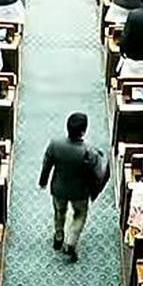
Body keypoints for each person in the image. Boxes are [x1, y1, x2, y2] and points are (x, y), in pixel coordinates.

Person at [39, 112, 107, 263]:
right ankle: (70, 242)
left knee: (59, 212)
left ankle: (58, 237)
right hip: (80, 193)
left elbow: (47, 165)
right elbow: (98, 176)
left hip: (59, 188)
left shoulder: (55, 144)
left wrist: (43, 181)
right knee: (79, 216)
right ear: (83, 131)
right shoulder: (90, 152)